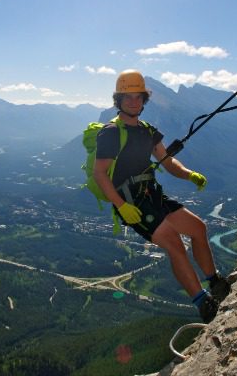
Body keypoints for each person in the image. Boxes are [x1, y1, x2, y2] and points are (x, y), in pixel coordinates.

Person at [93, 69, 230, 323]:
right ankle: (203, 302)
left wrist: (189, 174)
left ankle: (215, 282)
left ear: (144, 99)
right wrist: (121, 207)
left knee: (198, 228)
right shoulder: (111, 132)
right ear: (119, 100)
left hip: (153, 195)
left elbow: (167, 162)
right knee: (175, 245)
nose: (134, 102)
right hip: (132, 202)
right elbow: (100, 173)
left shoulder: (148, 131)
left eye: (138, 97)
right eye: (128, 97)